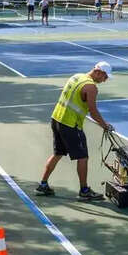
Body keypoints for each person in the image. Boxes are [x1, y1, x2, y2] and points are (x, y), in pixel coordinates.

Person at [36, 62, 115, 201]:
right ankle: (84, 190)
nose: (105, 80)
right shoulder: (91, 87)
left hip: (57, 119)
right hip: (71, 125)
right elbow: (93, 111)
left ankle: (42, 185)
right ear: (98, 72)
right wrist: (105, 125)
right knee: (83, 157)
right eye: (105, 76)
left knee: (58, 153)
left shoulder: (76, 77)